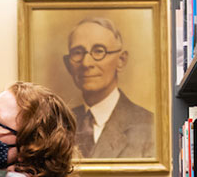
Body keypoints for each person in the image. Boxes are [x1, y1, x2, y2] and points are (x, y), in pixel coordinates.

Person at [63, 17, 155, 159]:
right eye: (77, 53)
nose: (86, 63)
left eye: (99, 51)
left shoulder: (150, 126)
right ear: (68, 64)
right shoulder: (59, 126)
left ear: (121, 60)